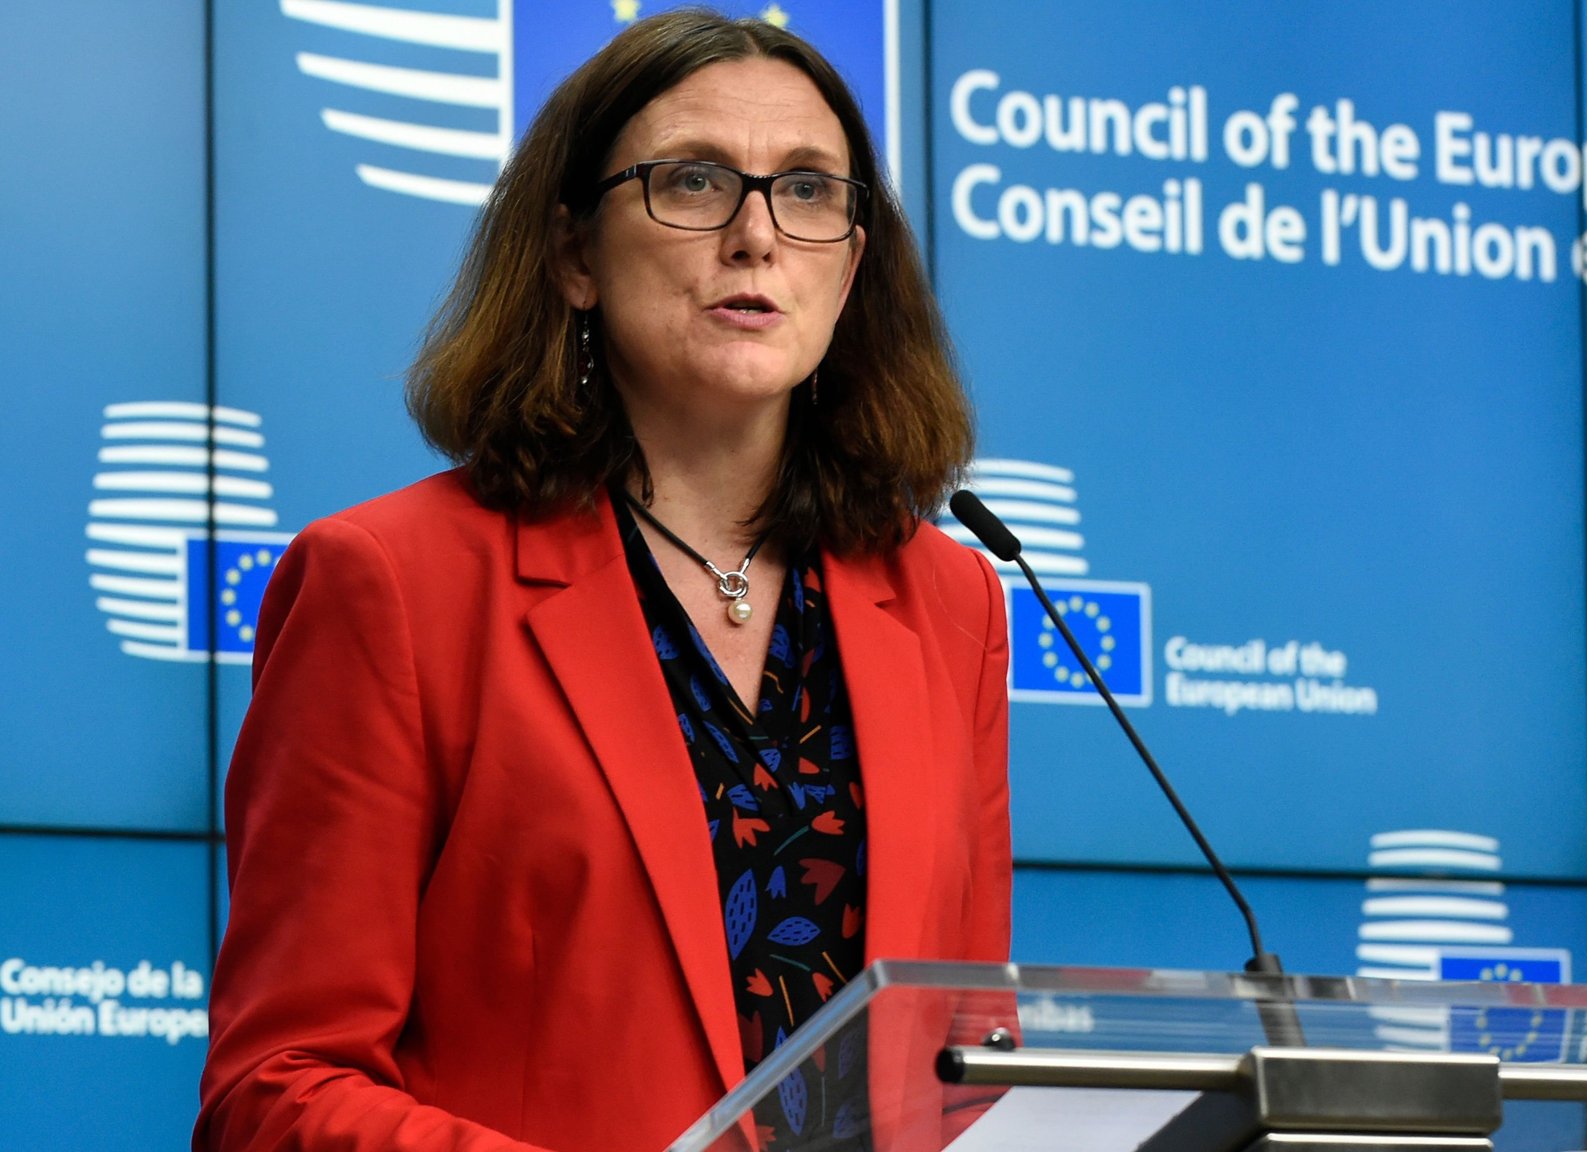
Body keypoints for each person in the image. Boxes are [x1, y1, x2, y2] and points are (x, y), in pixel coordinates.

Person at [195, 11, 1011, 1152]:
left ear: (853, 266)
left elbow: (971, 1064)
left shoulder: (949, 603)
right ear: (574, 254)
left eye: (811, 191)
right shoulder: (392, 586)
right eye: (693, 181)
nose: (756, 237)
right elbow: (275, 1088)